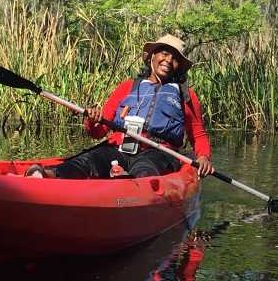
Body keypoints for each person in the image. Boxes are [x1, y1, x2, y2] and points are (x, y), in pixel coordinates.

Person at [27, 34, 214, 179]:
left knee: (145, 170)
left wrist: (203, 157)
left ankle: (128, 184)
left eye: (174, 58)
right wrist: (91, 121)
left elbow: (198, 135)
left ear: (178, 66)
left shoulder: (186, 96)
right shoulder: (127, 87)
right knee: (88, 161)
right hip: (119, 148)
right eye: (164, 53)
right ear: (153, 56)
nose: (167, 60)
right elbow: (98, 132)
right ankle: (45, 176)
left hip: (159, 153)